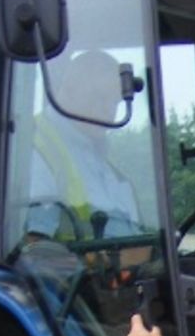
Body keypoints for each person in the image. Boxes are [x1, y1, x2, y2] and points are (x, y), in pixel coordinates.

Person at [26, 49, 146, 244]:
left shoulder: (107, 167)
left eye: (114, 102)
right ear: (69, 89)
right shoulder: (34, 148)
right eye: (99, 98)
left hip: (128, 272)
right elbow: (35, 249)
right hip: (80, 273)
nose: (108, 110)